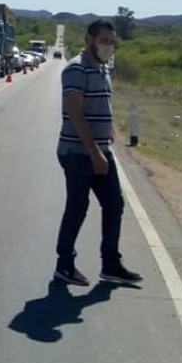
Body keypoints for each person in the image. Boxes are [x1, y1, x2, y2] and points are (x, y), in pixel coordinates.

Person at [54, 18, 143, 286]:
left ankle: (111, 265)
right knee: (78, 207)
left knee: (114, 204)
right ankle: (64, 264)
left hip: (99, 150)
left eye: (112, 42)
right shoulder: (76, 69)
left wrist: (110, 131)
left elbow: (102, 104)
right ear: (89, 40)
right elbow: (75, 111)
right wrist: (94, 152)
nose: (108, 46)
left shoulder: (103, 68)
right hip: (78, 151)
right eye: (104, 40)